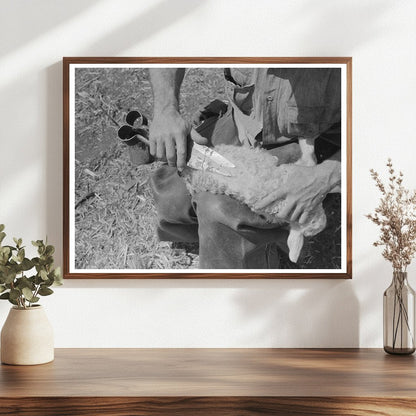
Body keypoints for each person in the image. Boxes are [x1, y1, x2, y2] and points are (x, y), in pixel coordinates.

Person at [148, 67, 341, 269]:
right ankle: (262, 234)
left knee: (219, 209)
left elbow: (375, 134)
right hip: (247, 119)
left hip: (318, 136)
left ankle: (244, 279)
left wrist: (324, 176)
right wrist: (165, 109)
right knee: (172, 194)